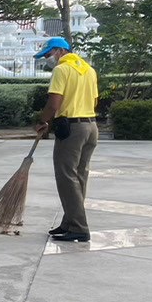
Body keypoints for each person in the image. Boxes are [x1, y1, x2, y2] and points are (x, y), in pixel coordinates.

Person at [33, 37, 100, 243]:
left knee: (66, 177)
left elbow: (54, 104)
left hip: (72, 129)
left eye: (48, 54)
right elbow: (95, 100)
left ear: (60, 51)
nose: (47, 59)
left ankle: (79, 227)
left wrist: (43, 121)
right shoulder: (88, 70)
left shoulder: (61, 70)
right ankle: (69, 222)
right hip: (91, 127)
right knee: (79, 176)